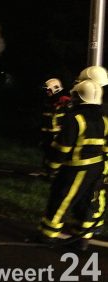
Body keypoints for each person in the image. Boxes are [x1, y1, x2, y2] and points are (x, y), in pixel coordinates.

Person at [39, 78, 106, 251]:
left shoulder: (74, 118)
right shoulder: (103, 119)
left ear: (79, 97)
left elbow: (62, 148)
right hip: (96, 168)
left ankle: (48, 236)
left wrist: (51, 168)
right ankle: (82, 239)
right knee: (86, 203)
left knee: (61, 200)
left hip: (76, 169)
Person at [40, 78, 72, 160]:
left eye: (49, 90)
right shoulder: (47, 103)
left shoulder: (66, 103)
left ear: (56, 89)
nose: (46, 92)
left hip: (60, 139)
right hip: (48, 138)